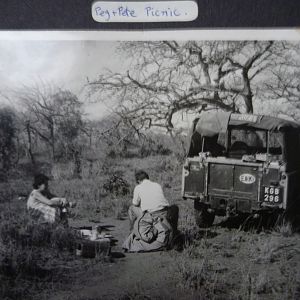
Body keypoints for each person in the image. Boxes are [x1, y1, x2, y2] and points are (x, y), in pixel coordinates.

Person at [123, 170, 179, 252]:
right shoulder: (157, 185)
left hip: (152, 214)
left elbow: (135, 203)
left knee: (131, 208)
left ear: (138, 181)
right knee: (174, 207)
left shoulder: (138, 187)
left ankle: (133, 232)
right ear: (147, 178)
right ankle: (175, 232)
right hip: (165, 212)